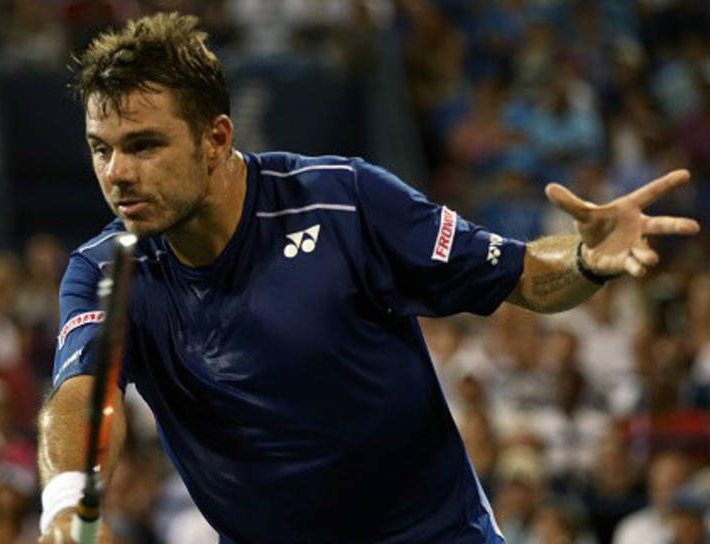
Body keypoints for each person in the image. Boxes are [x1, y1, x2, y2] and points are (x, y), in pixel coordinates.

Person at [36, 12, 700, 544]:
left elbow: (520, 274)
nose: (117, 173)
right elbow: (82, 396)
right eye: (101, 149)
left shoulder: (346, 202)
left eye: (143, 145)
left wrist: (582, 258)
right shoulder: (105, 269)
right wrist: (67, 502)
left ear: (216, 138)